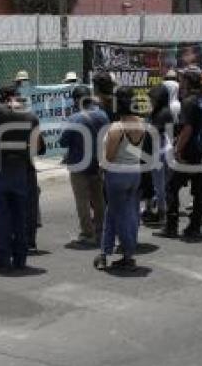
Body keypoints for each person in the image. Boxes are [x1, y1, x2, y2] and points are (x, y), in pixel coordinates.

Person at [0, 86, 44, 272]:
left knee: (1, 218)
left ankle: (2, 260)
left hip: (0, 170)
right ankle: (20, 259)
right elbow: (38, 147)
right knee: (20, 216)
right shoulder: (31, 118)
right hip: (20, 171)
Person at [94, 87, 145, 271]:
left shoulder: (117, 128)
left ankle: (113, 253)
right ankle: (120, 253)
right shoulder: (141, 123)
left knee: (115, 214)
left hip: (117, 175)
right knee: (129, 213)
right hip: (134, 172)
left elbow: (109, 157)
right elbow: (134, 150)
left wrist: (101, 168)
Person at [155, 70, 202, 239]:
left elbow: (187, 128)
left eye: (182, 80)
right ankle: (195, 226)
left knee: (171, 187)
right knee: (199, 191)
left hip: (188, 152)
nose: (180, 83)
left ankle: (171, 226)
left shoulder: (188, 102)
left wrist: (177, 149)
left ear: (187, 82)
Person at [60, 85, 109, 246]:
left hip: (78, 165)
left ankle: (87, 234)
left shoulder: (74, 119)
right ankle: (101, 230)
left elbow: (63, 141)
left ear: (76, 100)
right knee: (98, 199)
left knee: (82, 201)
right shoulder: (102, 115)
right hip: (97, 164)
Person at [142, 83, 174, 224]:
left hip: (160, 153)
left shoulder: (164, 113)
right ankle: (155, 210)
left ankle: (162, 214)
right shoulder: (156, 111)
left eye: (153, 98)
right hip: (155, 152)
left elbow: (157, 132)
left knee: (160, 186)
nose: (150, 101)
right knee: (156, 184)